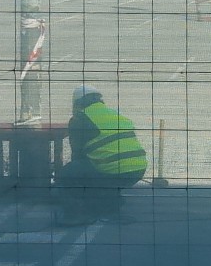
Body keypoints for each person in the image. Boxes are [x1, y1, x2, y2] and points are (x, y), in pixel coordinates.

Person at [56, 85, 147, 224]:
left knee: (68, 173)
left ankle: (76, 214)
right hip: (138, 169)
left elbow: (77, 154)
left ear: (77, 103)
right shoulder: (115, 114)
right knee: (98, 171)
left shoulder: (80, 119)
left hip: (114, 171)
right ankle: (108, 201)